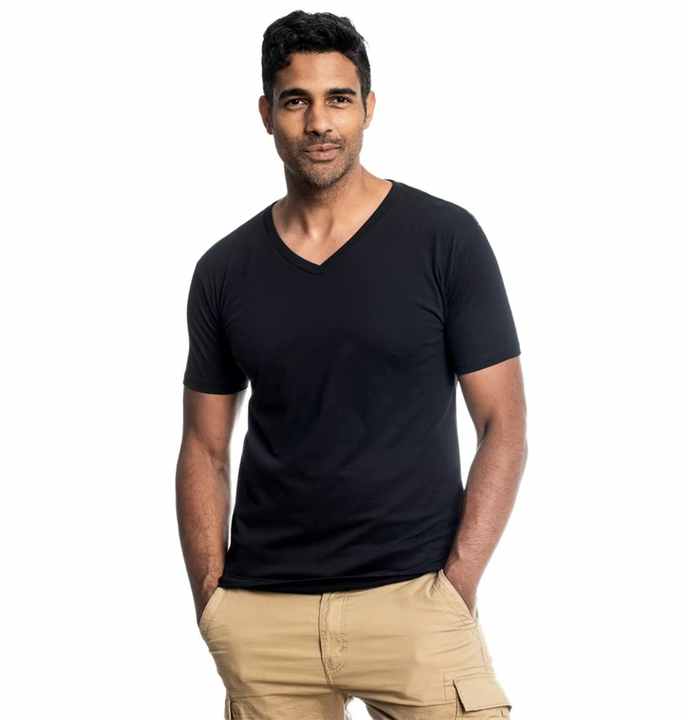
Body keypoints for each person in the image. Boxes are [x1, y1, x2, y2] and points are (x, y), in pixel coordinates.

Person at [176, 10, 527, 720]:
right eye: (296, 101)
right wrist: (212, 597)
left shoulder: (445, 239)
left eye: (338, 99)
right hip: (265, 617)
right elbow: (203, 446)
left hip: (415, 604)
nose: (319, 123)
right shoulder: (224, 270)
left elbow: (504, 424)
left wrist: (458, 583)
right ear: (266, 114)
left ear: (368, 107)